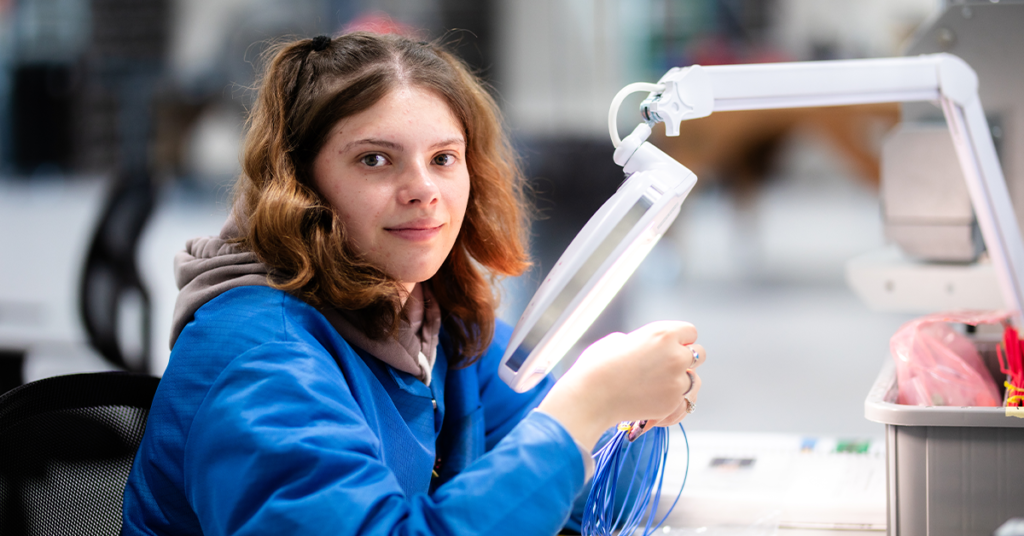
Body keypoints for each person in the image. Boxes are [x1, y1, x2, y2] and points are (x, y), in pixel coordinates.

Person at [121, 32, 704, 536]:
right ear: (298, 184)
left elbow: (593, 487)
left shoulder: (433, 317)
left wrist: (627, 408)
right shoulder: (256, 356)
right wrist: (584, 407)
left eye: (444, 159)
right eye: (375, 160)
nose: (423, 189)